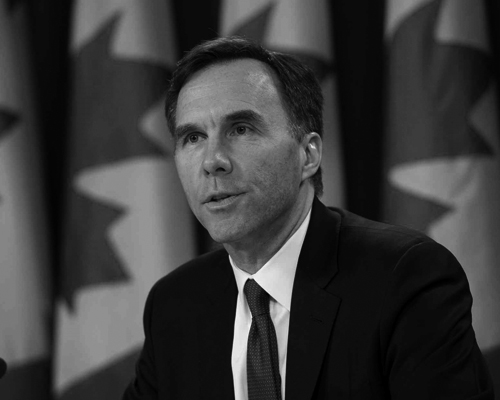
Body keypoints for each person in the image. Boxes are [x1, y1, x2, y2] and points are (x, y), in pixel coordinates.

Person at [123, 37, 493, 399]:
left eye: (241, 129)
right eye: (193, 138)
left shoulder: (405, 279)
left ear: (309, 154)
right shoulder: (175, 306)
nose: (212, 160)